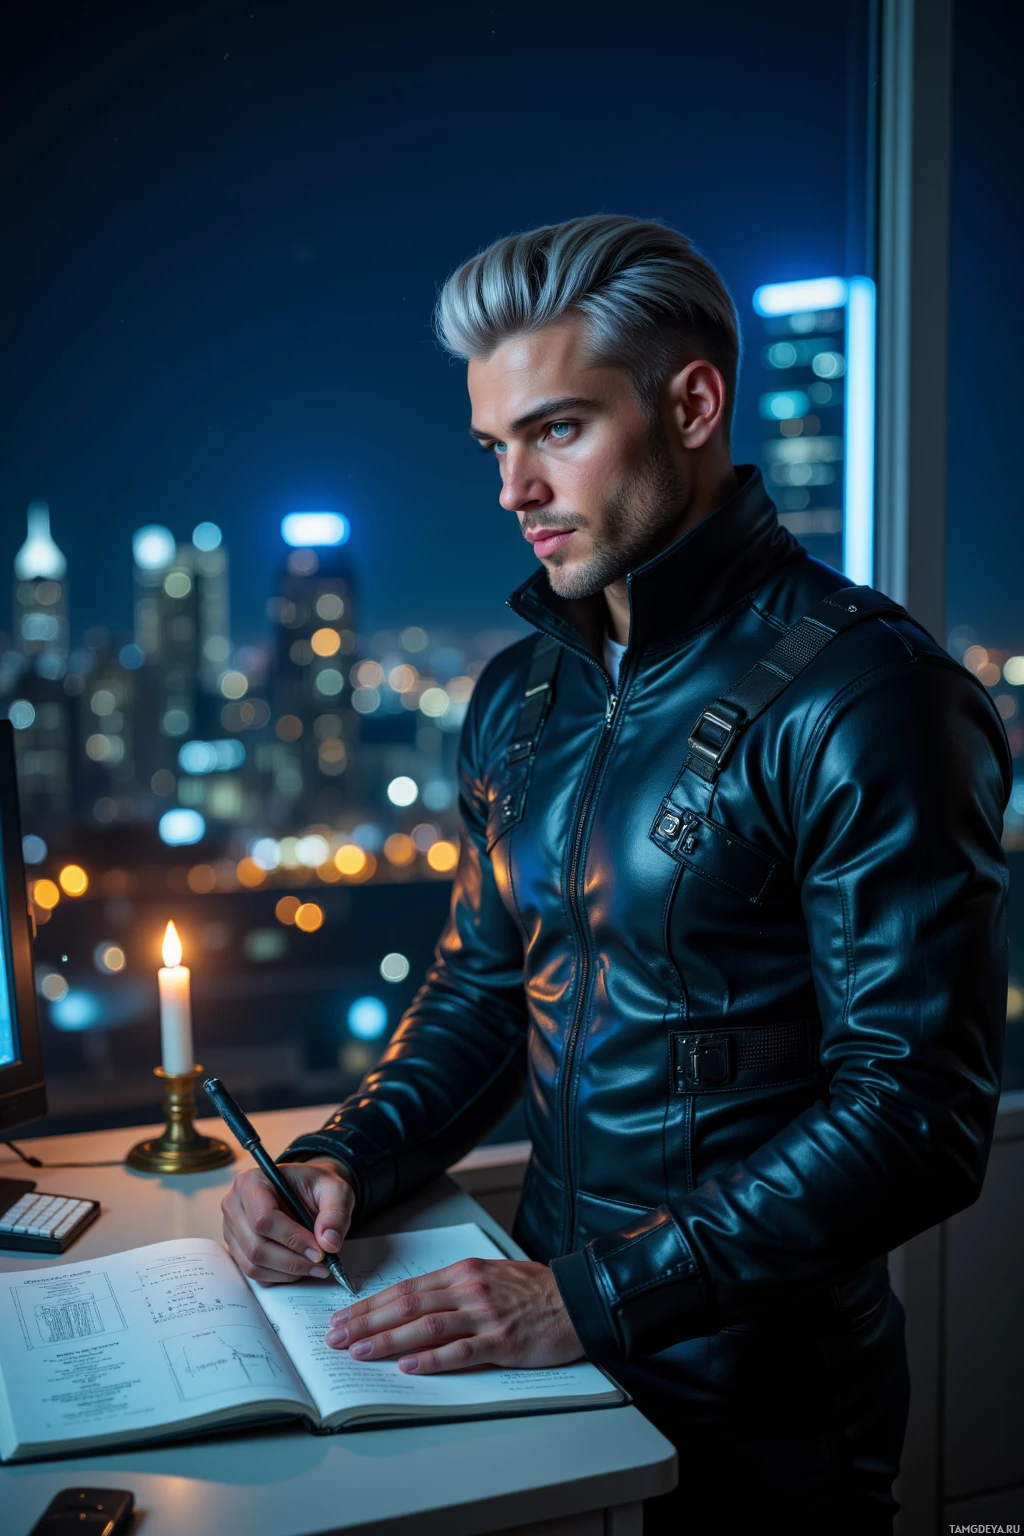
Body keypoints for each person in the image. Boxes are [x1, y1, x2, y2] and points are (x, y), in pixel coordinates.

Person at [222, 215, 1011, 1532]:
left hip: (765, 1412)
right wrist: (344, 1156)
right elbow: (484, 990)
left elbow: (917, 1117)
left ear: (693, 404)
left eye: (557, 431)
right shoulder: (523, 694)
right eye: (494, 447)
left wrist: (581, 1299)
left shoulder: (871, 694)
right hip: (537, 1371)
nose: (510, 490)